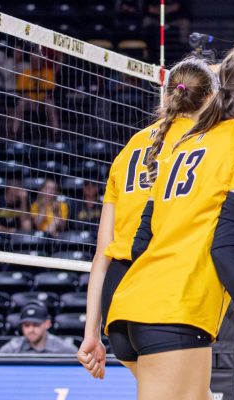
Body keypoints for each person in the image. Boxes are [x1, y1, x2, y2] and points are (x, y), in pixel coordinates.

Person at [102, 43, 234, 399]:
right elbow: (225, 248)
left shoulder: (186, 142)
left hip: (130, 307)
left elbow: (142, 236)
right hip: (174, 311)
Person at [77, 57, 218, 380]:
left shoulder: (129, 149)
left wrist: (91, 333)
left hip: (117, 296)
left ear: (166, 96)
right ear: (210, 98)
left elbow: (102, 254)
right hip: (165, 292)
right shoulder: (210, 144)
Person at [0, 302, 78, 354]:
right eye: (26, 325)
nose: (31, 330)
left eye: (36, 325)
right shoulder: (11, 350)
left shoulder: (65, 350)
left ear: (47, 324)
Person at [12, 51, 59, 138]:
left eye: (37, 60)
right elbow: (21, 90)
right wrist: (32, 100)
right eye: (33, 60)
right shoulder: (25, 73)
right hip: (29, 100)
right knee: (20, 104)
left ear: (41, 61)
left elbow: (51, 90)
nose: (35, 62)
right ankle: (15, 133)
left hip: (43, 100)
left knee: (51, 105)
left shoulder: (48, 73)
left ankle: (55, 134)